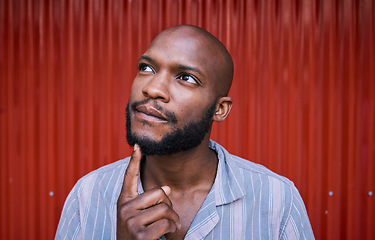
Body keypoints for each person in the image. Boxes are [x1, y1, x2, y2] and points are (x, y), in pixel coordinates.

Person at [55, 25, 314, 240]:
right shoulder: (88, 196)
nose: (153, 88)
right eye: (147, 68)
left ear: (220, 109)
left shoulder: (276, 200)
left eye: (186, 78)